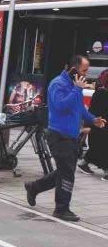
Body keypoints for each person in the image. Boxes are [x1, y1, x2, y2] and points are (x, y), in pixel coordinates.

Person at [25, 56, 106, 221]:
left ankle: (34, 187)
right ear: (74, 69)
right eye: (84, 70)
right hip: (59, 135)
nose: (86, 74)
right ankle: (62, 209)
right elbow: (61, 106)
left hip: (71, 136)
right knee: (67, 173)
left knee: (64, 171)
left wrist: (93, 119)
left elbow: (80, 108)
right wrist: (76, 89)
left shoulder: (73, 85)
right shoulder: (58, 84)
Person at [79, 70, 108, 180]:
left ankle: (83, 163)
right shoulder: (101, 94)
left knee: (97, 149)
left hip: (102, 129)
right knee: (102, 148)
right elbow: (91, 112)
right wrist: (87, 126)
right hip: (99, 128)